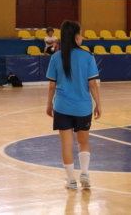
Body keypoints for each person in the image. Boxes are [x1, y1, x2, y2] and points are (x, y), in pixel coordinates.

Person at [46, 20, 101, 189]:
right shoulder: (87, 56)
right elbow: (92, 84)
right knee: (83, 142)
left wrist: (48, 104)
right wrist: (98, 104)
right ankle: (84, 173)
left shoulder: (55, 57)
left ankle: (71, 181)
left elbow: (52, 85)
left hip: (62, 107)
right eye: (81, 33)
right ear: (77, 36)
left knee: (66, 145)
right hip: (83, 107)